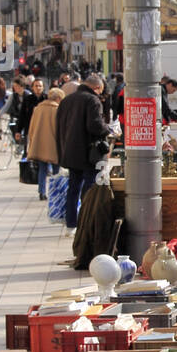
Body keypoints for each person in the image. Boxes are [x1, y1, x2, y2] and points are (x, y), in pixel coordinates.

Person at [55, 72, 110, 232]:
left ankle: (71, 225)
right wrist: (108, 129)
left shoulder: (67, 100)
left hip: (70, 152)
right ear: (97, 87)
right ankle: (86, 223)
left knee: (73, 188)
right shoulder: (92, 100)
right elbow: (94, 126)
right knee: (89, 189)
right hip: (88, 153)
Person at [26, 86, 63, 200]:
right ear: (57, 99)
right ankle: (56, 191)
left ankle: (42, 192)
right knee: (56, 170)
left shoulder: (38, 109)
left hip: (40, 144)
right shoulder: (58, 110)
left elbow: (31, 127)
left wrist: (32, 141)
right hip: (54, 144)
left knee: (42, 169)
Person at [6, 77, 30, 141]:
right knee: (12, 126)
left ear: (21, 86)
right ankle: (18, 144)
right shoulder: (13, 95)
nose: (14, 88)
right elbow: (6, 106)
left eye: (16, 86)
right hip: (16, 117)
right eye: (14, 86)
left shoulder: (28, 95)